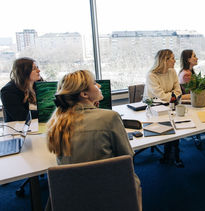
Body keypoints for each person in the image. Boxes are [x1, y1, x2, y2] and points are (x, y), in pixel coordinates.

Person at [46, 70, 141, 209]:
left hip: (71, 194)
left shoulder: (58, 121)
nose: (99, 86)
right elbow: (127, 157)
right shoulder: (110, 117)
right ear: (84, 94)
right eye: (95, 83)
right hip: (108, 191)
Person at [144, 49, 184, 167]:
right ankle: (171, 153)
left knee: (176, 123)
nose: (175, 60)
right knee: (168, 124)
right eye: (172, 58)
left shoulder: (172, 72)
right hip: (153, 107)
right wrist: (172, 95)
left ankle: (172, 151)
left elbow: (178, 91)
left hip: (170, 106)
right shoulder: (151, 75)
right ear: (164, 61)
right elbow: (160, 96)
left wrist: (171, 96)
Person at [1, 57, 42, 122]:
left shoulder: (41, 84)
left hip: (38, 123)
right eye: (34, 68)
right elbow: (21, 115)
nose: (38, 70)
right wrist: (45, 113)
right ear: (23, 72)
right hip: (17, 128)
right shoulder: (8, 90)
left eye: (37, 67)